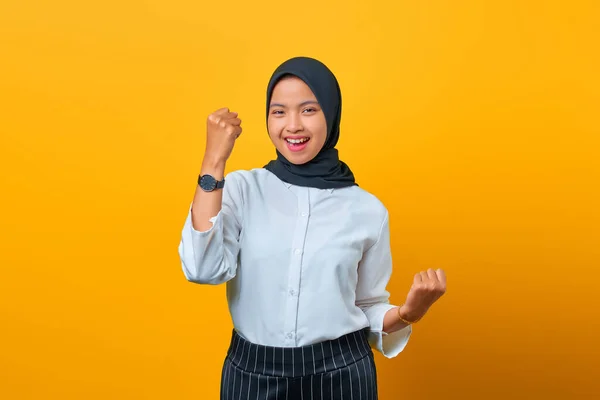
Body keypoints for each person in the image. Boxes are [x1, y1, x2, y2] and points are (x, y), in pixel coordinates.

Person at [178, 56, 447, 400]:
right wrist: (213, 161)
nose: (293, 126)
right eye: (279, 112)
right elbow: (202, 269)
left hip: (342, 374)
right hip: (252, 375)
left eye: (308, 110)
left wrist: (409, 313)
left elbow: (366, 307)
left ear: (331, 114)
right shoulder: (242, 189)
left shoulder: (367, 209)